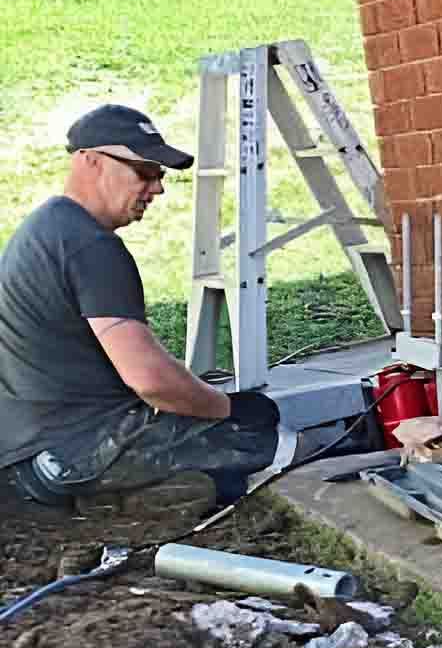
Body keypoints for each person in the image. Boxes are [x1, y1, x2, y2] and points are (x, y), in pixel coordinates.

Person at [0, 103, 285, 518]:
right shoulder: (89, 245)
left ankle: (128, 498)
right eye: (144, 172)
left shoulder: (44, 230)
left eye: (160, 175)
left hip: (30, 453)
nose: (157, 189)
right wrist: (228, 408)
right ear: (91, 161)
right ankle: (116, 499)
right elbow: (151, 380)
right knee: (277, 442)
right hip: (81, 451)